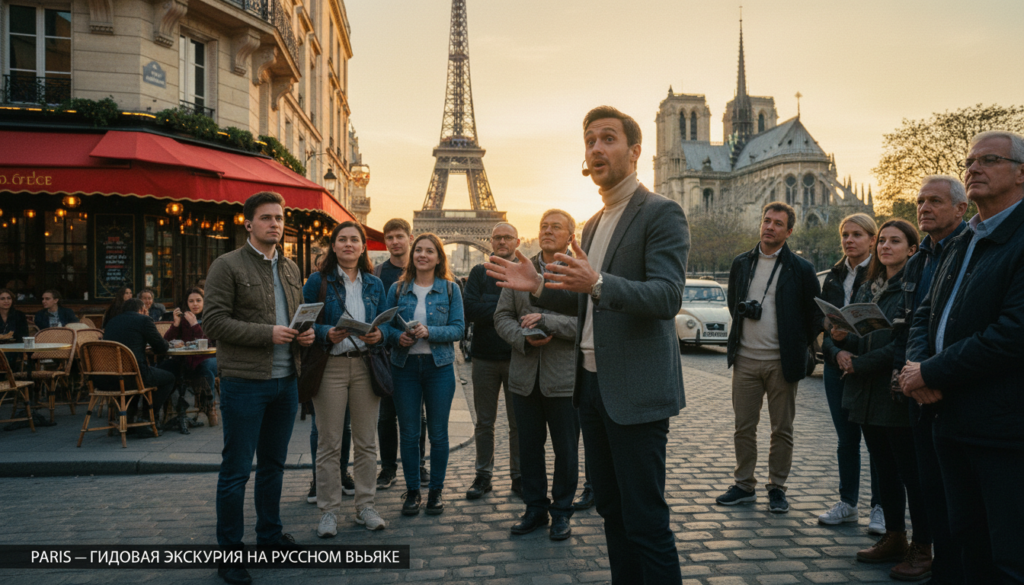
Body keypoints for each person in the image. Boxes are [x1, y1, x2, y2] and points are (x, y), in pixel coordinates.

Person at [485, 106, 689, 583]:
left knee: (646, 521)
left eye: (608, 138)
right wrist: (537, 287)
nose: (596, 147)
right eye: (589, 139)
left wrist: (598, 283)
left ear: (635, 152)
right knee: (612, 513)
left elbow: (667, 296)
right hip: (592, 389)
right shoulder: (594, 223)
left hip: (635, 391)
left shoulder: (661, 212)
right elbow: (587, 301)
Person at [901, 131, 1024, 582]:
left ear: (1021, 173)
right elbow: (925, 314)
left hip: (1002, 425)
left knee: (1007, 553)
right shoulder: (965, 238)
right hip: (949, 418)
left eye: (988, 160)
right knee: (964, 540)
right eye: (969, 161)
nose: (972, 168)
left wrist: (932, 371)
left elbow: (1013, 334)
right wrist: (918, 368)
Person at [203, 191, 315, 585]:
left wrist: (304, 335)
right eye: (266, 218)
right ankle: (229, 555)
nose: (275, 224)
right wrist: (267, 333)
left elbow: (294, 318)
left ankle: (269, 536)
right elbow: (213, 322)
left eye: (280, 218)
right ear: (248, 223)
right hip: (245, 383)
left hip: (285, 382)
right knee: (236, 472)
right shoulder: (226, 265)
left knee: (273, 466)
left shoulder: (290, 268)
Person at [829, 220, 932, 577]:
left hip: (893, 389)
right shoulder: (869, 286)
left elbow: (901, 344)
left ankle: (923, 546)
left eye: (895, 241)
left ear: (912, 248)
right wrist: (841, 340)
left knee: (910, 472)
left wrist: (860, 363)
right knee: (884, 470)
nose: (885, 246)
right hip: (866, 394)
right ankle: (894, 536)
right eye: (883, 241)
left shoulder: (915, 286)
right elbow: (860, 335)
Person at [717, 202, 820, 514]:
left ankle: (777, 487)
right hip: (746, 359)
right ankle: (744, 484)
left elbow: (813, 316)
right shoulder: (741, 263)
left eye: (778, 223)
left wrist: (799, 347)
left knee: (782, 430)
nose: (769, 227)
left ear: (789, 232)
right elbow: (735, 303)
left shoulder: (801, 269)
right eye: (767, 221)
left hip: (781, 362)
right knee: (743, 427)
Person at [890, 176, 968, 584]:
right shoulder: (921, 258)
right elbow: (917, 318)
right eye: (920, 201)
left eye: (935, 201)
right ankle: (936, 560)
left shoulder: (967, 248)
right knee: (927, 484)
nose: (923, 208)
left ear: (961, 208)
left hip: (955, 386)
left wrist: (931, 372)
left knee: (961, 495)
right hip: (919, 384)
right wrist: (915, 370)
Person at [493, 209, 579, 540]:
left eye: (556, 227)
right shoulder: (519, 270)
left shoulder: (579, 273)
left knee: (566, 450)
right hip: (525, 375)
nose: (547, 231)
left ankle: (561, 512)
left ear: (570, 236)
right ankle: (534, 508)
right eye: (543, 226)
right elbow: (502, 317)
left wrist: (547, 321)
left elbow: (587, 323)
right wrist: (523, 339)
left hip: (565, 379)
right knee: (529, 447)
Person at [303, 221, 388, 536]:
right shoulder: (317, 281)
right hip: (332, 367)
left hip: (366, 365)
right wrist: (328, 332)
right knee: (329, 443)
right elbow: (304, 324)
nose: (349, 244)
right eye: (343, 240)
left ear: (363, 247)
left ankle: (365, 506)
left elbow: (388, 327)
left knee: (366, 442)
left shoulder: (374, 284)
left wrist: (380, 333)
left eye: (355, 240)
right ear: (334, 246)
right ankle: (328, 511)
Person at [380, 233, 464, 517]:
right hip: (404, 368)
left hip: (438, 368)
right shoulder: (397, 289)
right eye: (419, 250)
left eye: (430, 251)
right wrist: (396, 338)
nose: (423, 255)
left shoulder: (451, 290)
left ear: (439, 257)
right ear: (412, 255)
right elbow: (384, 328)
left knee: (439, 434)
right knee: (410, 433)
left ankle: (436, 491)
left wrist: (431, 332)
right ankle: (413, 490)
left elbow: (458, 329)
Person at [816, 214, 886, 534]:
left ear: (872, 239)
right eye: (845, 234)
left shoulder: (883, 273)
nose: (849, 240)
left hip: (870, 367)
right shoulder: (834, 275)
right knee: (846, 440)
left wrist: (855, 350)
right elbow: (826, 328)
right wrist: (836, 352)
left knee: (877, 443)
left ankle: (881, 507)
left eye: (857, 234)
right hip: (838, 366)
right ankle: (848, 502)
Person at [463, 222, 522, 500]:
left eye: (506, 237)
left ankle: (519, 476)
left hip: (517, 357)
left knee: (517, 423)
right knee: (484, 422)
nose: (501, 241)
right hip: (484, 357)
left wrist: (490, 308)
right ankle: (483, 475)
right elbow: (470, 309)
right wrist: (508, 311)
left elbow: (529, 310)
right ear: (490, 240)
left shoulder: (525, 272)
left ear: (517, 242)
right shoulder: (478, 272)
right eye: (497, 237)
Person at [372, 218, 430, 491]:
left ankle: (417, 464)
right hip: (385, 353)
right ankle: (388, 468)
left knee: (416, 415)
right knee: (386, 416)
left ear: (410, 237)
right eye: (390, 238)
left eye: (399, 236)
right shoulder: (378, 273)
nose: (395, 242)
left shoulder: (423, 269)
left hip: (417, 355)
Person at [98, 298, 174, 431]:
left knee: (138, 374)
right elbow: (161, 347)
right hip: (134, 376)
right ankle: (147, 417)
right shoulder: (144, 320)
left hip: (107, 378)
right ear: (143, 310)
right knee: (169, 378)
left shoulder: (112, 322)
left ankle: (129, 419)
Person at [156, 287, 219, 433]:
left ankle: (209, 409)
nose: (195, 304)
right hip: (185, 360)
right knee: (163, 369)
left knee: (205, 368)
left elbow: (210, 343)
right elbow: (166, 342)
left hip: (209, 359)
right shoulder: (183, 320)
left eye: (198, 301)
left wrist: (195, 325)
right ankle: (153, 412)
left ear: (205, 302)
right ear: (186, 303)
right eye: (191, 301)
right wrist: (176, 323)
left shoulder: (211, 318)